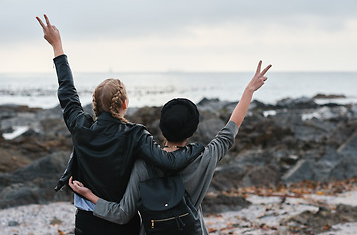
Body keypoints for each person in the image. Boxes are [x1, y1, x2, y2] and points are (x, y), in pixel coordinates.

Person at [36, 14, 204, 235]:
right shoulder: (136, 135)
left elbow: (66, 90)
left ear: (95, 104)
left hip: (87, 221)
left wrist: (57, 46)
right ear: (125, 103)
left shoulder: (80, 126)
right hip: (123, 224)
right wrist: (199, 147)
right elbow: (169, 162)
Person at [69, 61, 272, 234]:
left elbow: (122, 214)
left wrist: (89, 195)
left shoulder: (142, 165)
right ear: (192, 131)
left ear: (162, 128)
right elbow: (230, 130)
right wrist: (249, 90)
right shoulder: (204, 158)